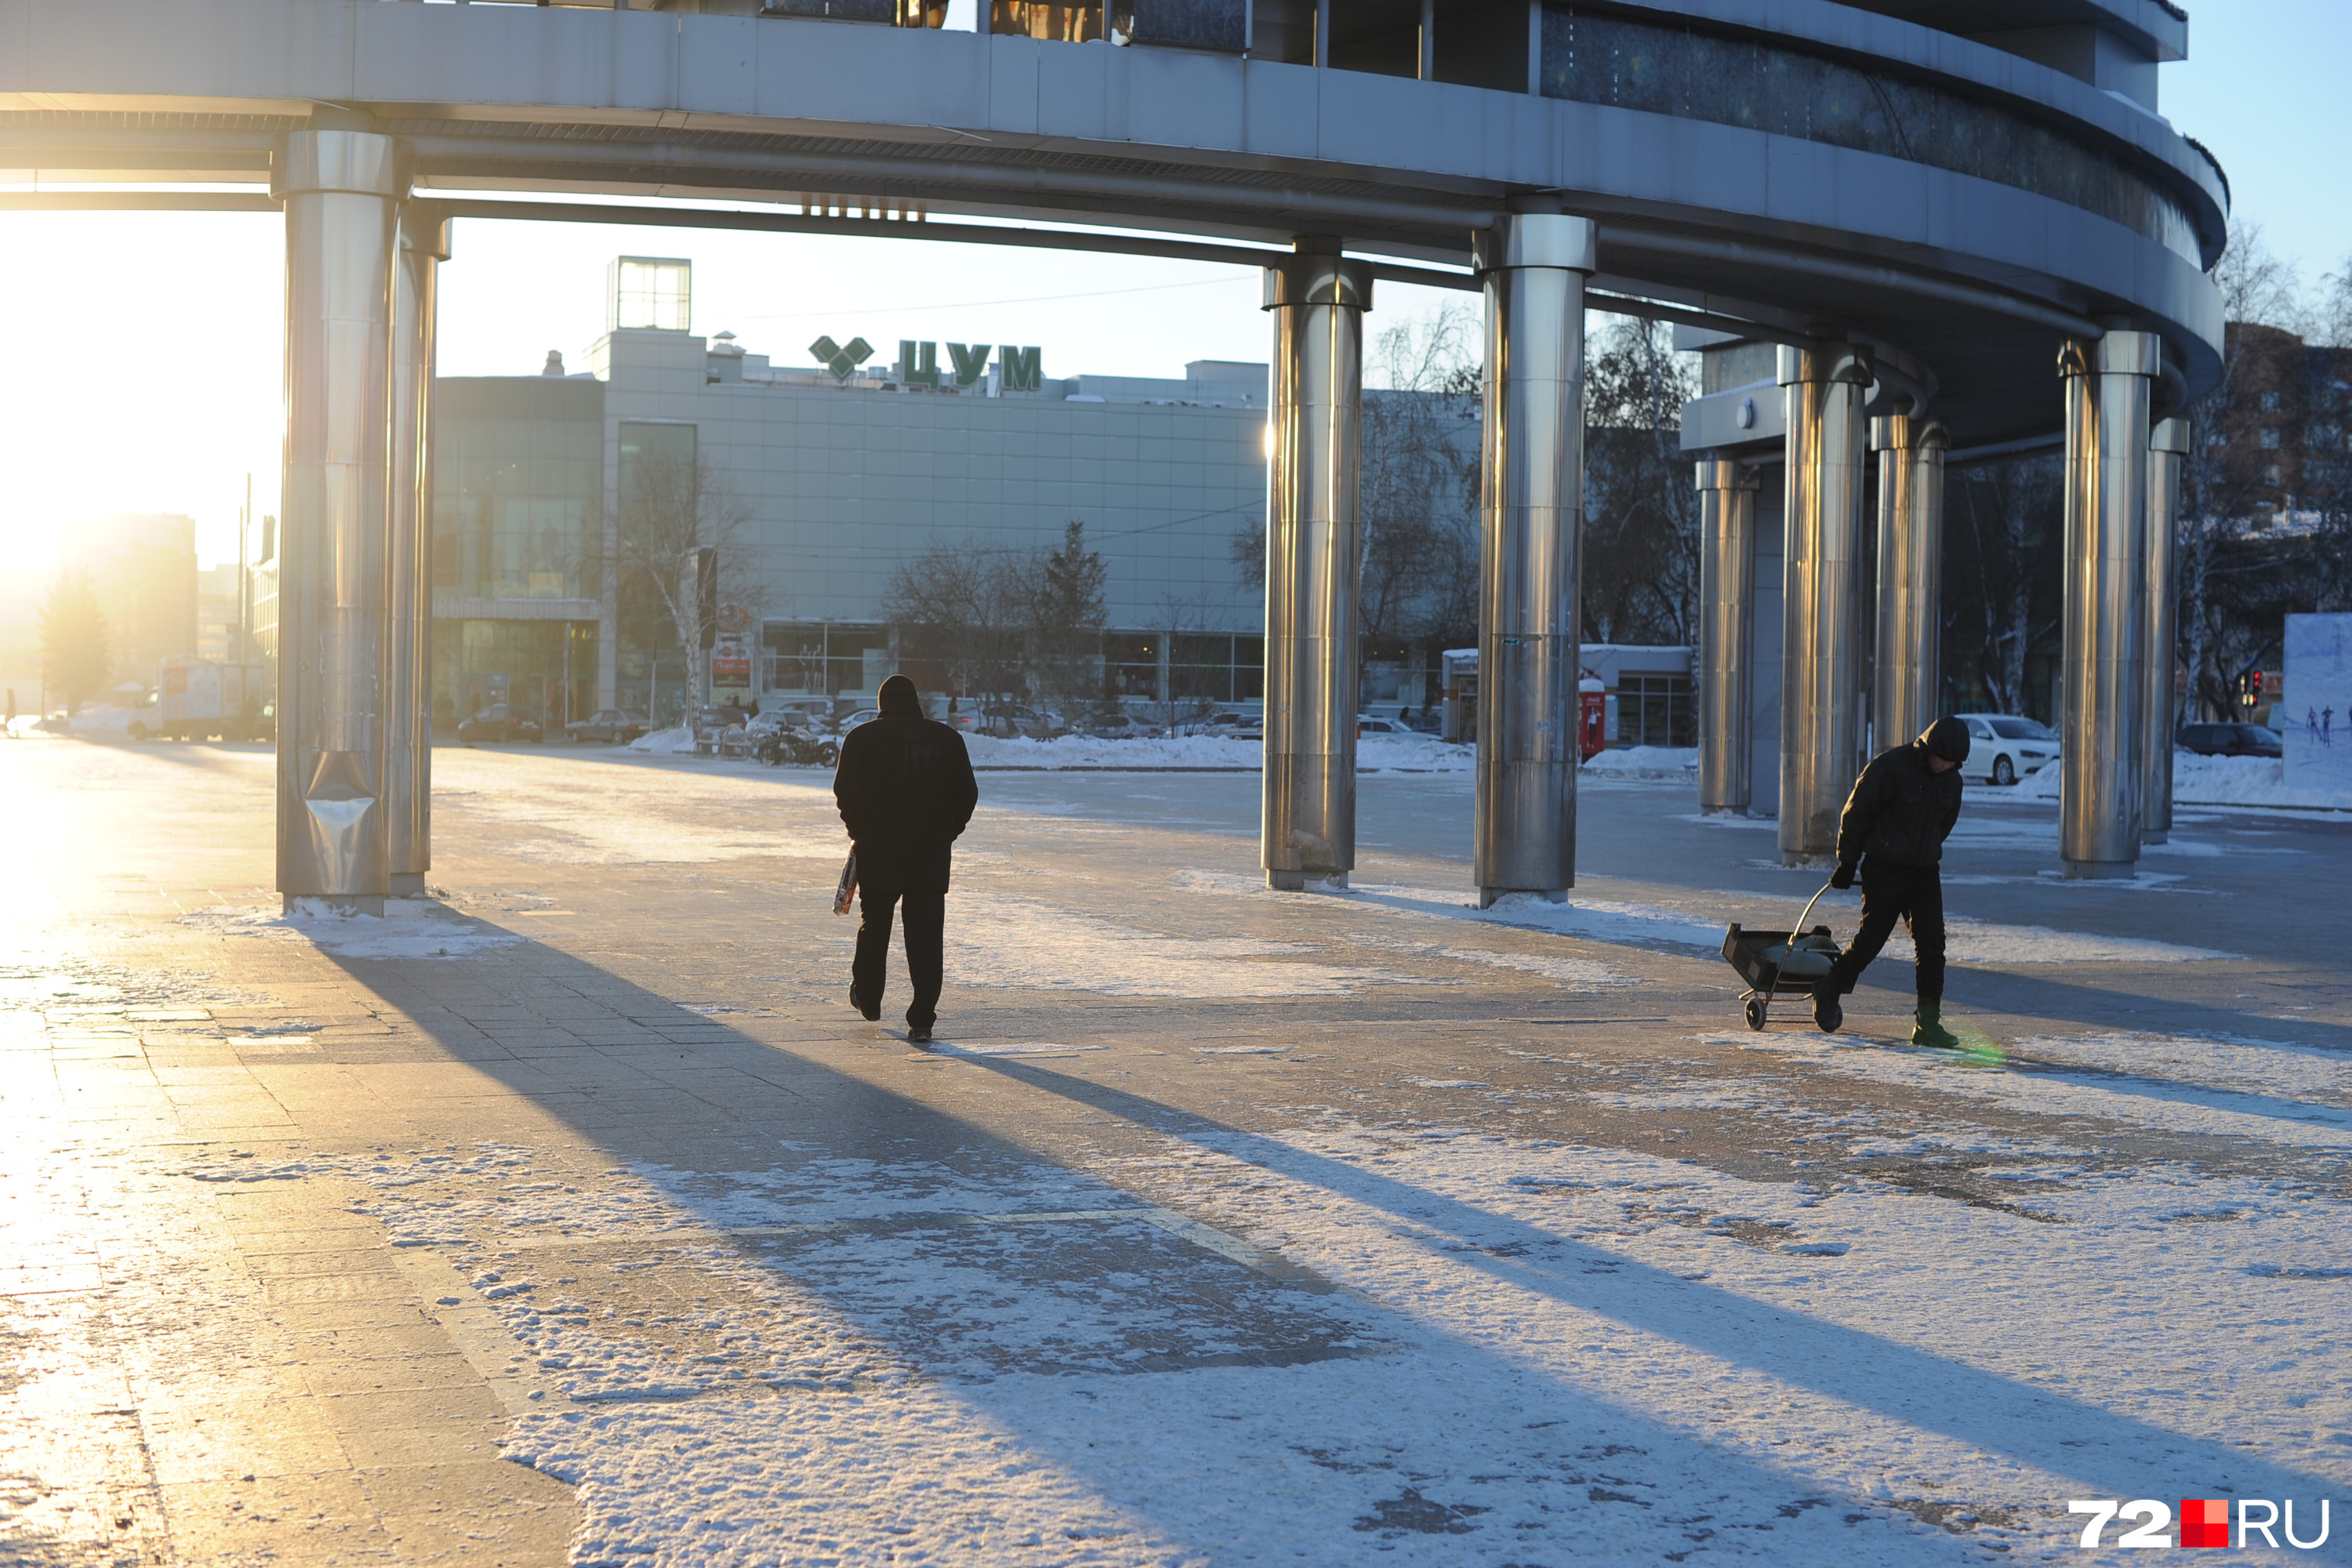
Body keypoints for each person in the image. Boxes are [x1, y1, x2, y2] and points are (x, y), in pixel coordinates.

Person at [833, 674, 979, 1044]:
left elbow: (845, 793)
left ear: (882, 703)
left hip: (879, 852)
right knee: (926, 937)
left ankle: (868, 997)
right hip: (929, 858)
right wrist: (947, 832)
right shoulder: (947, 740)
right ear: (916, 702)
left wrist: (860, 832)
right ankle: (922, 1019)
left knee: (875, 926)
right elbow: (967, 794)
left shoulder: (861, 739)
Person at [1812, 716, 1972, 1047]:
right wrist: (1848, 861)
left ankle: (1927, 1025)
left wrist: (1925, 850)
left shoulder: (1952, 781)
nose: (1947, 767)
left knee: (1932, 947)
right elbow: (1857, 812)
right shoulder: (1890, 767)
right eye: (1944, 760)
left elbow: (1945, 824)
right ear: (1930, 749)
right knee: (1870, 941)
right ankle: (1828, 989)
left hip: (1925, 872)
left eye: (1954, 763)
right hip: (1885, 869)